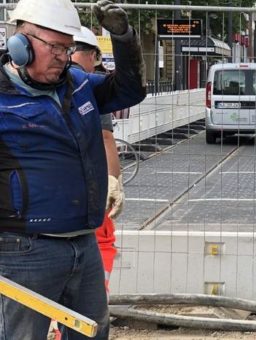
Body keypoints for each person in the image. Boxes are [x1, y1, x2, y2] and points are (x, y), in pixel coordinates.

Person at [0, 0, 146, 338]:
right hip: (24, 250)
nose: (63, 57)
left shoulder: (77, 83)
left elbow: (130, 90)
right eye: (55, 47)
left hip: (83, 242)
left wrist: (123, 38)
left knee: (93, 332)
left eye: (68, 48)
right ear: (20, 43)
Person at [71, 26, 124, 295]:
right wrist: (113, 182)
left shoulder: (33, 79)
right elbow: (104, 138)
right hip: (87, 191)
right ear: (91, 55)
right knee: (101, 240)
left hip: (44, 197)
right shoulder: (87, 85)